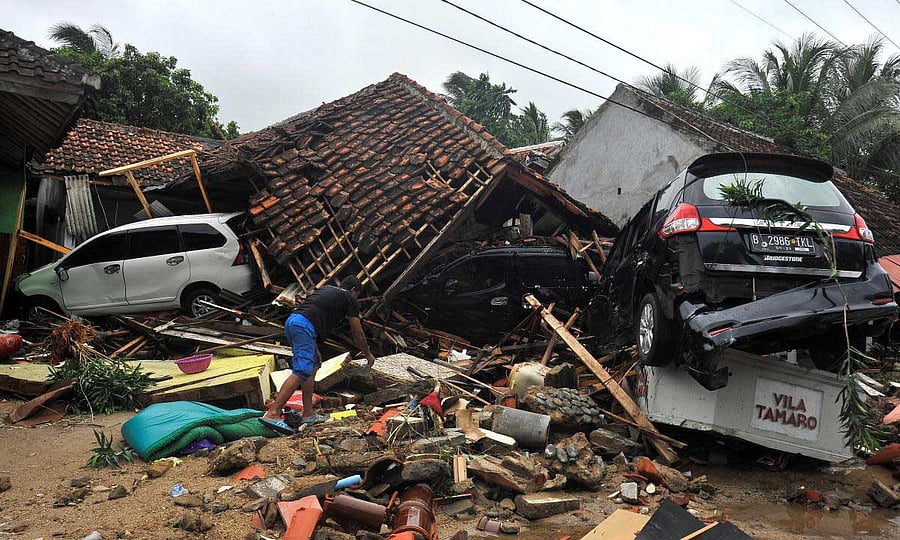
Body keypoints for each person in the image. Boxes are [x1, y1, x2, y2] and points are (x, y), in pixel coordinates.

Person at [261, 275, 376, 430]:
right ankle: (273, 413)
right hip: (304, 326)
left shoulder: (326, 289)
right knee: (301, 370)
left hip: (294, 321)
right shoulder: (349, 298)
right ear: (354, 290)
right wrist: (367, 353)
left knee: (313, 365)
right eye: (357, 294)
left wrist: (315, 349)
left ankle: (308, 413)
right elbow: (357, 333)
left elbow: (313, 313)